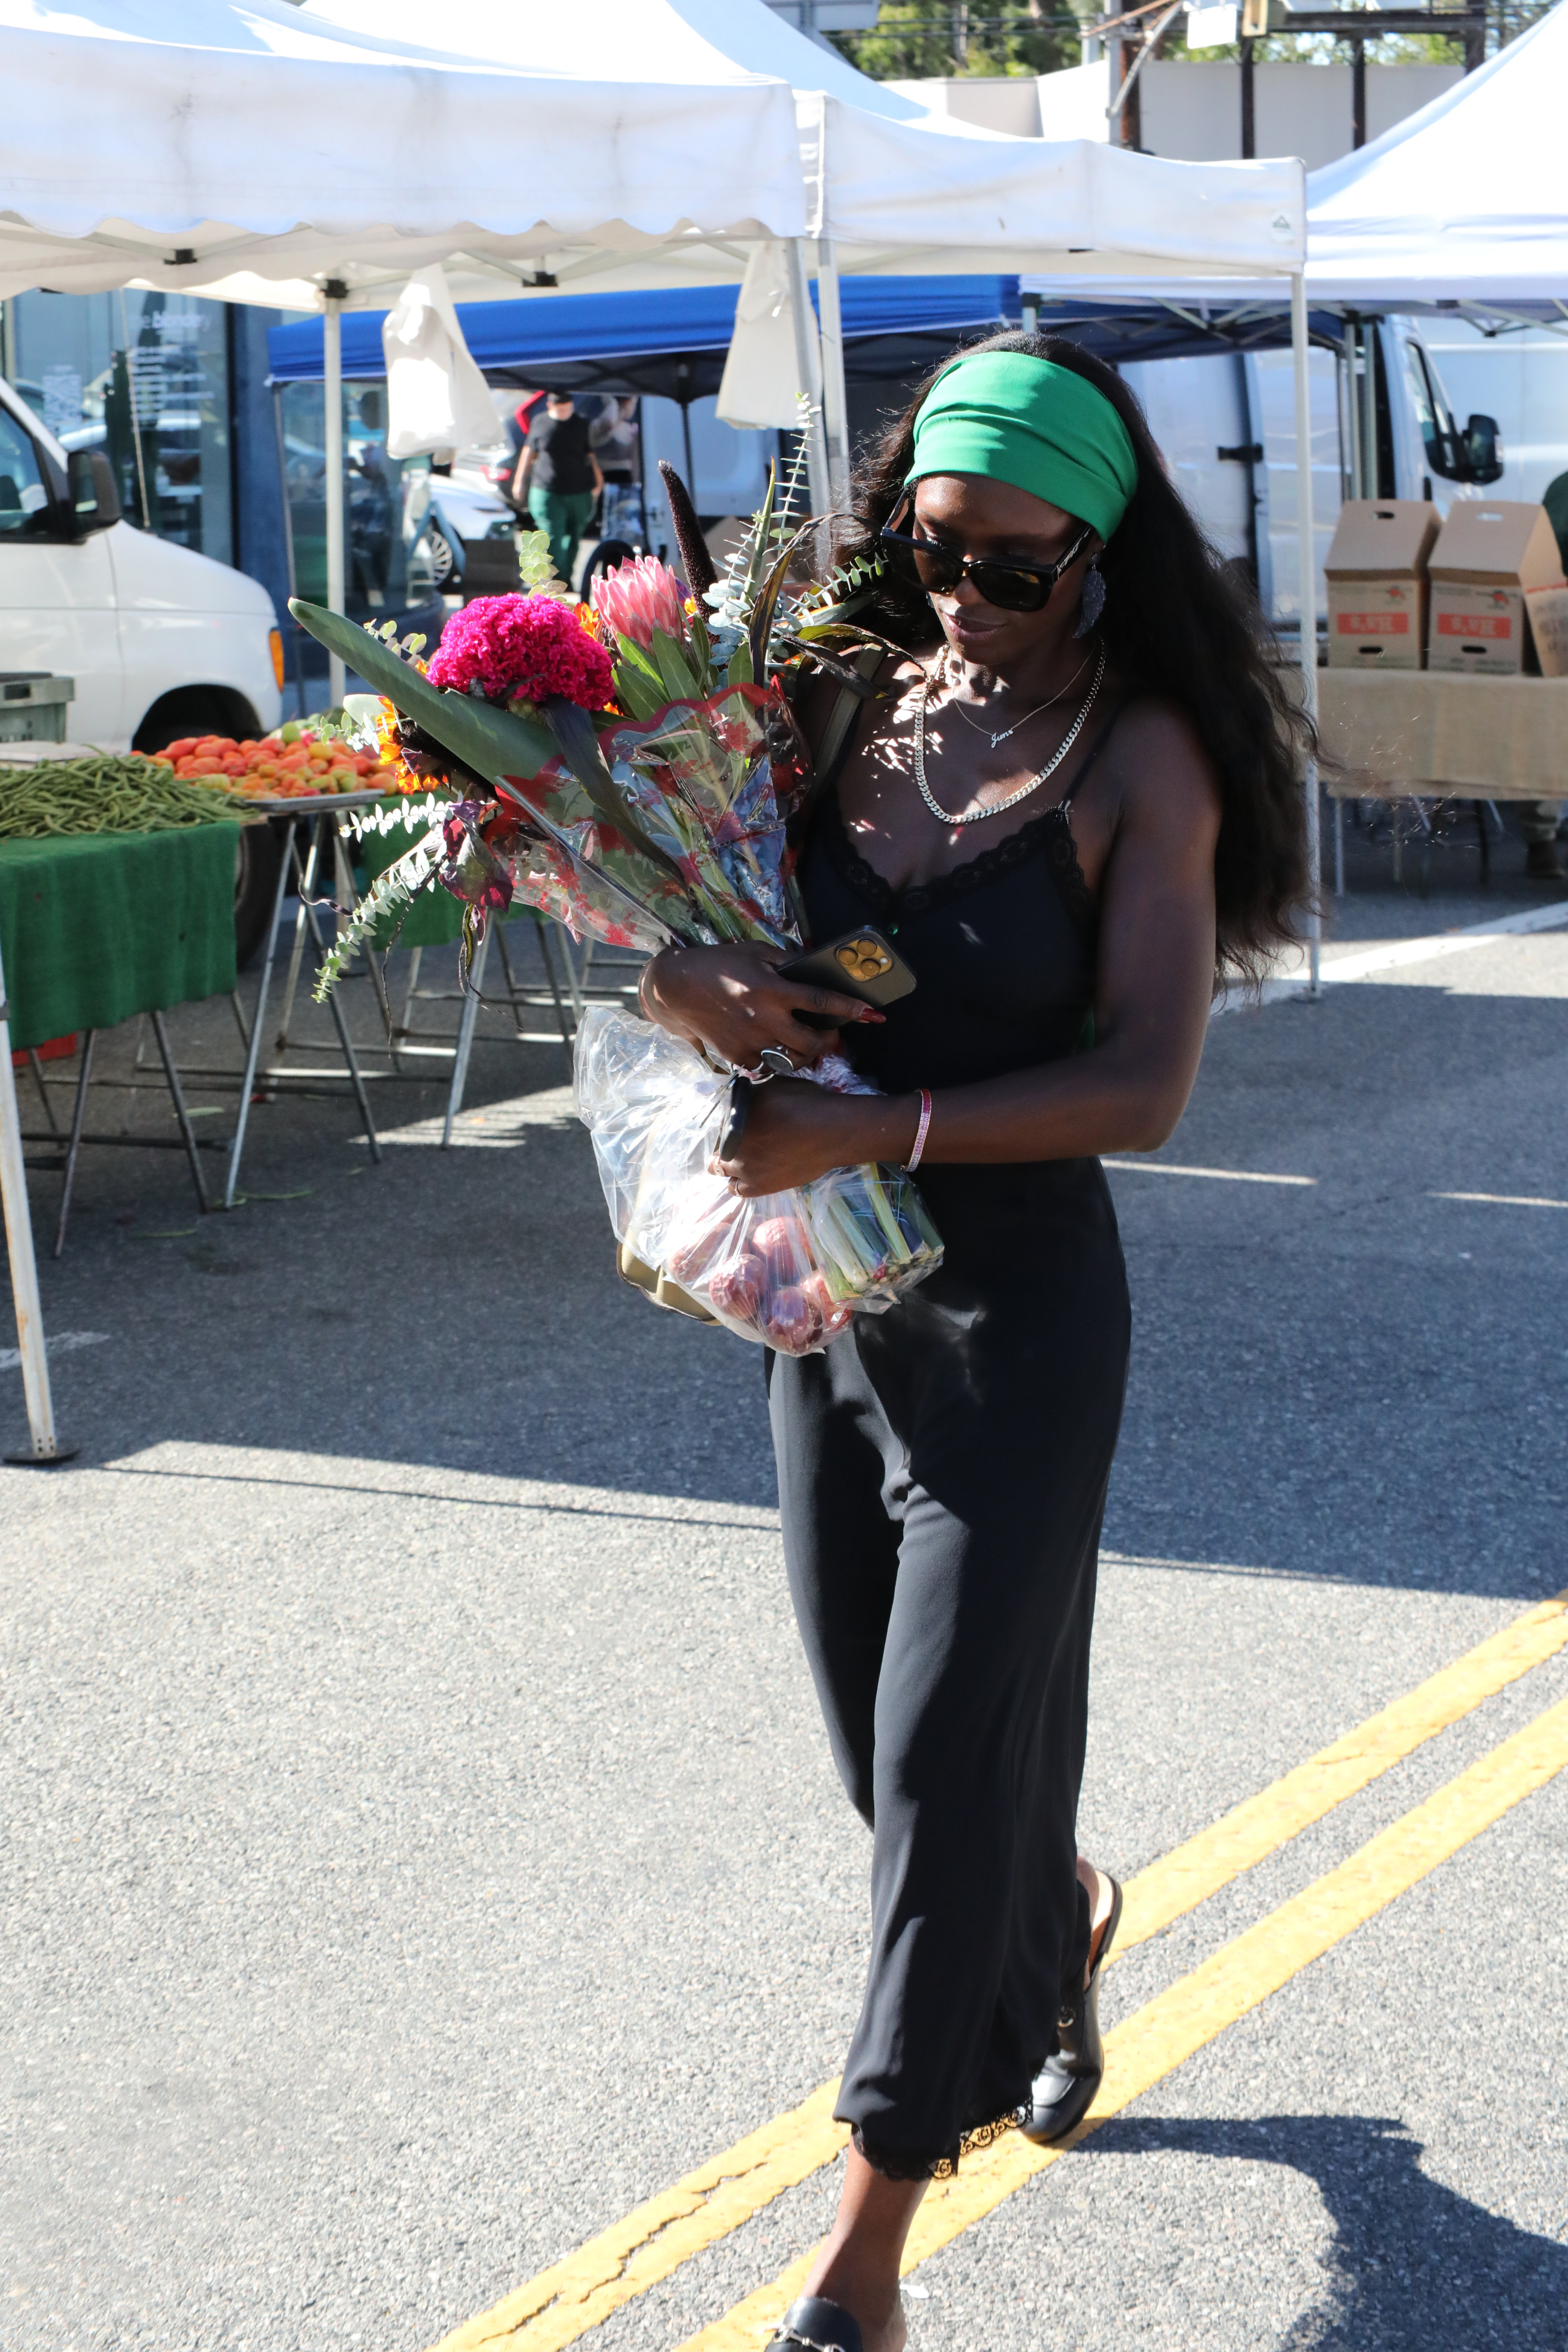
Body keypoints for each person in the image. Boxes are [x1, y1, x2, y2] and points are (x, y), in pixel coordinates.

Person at [638, 333, 1309, 2352]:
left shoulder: (1140, 762)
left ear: (1096, 553)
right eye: (935, 552)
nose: (965, 597)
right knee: (887, 1759)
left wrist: (883, 1121)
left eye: (1013, 566)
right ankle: (1064, 1910)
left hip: (1017, 1314)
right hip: (827, 1304)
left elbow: (1144, 1084)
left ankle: (853, 2280)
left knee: (938, 1775)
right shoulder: (840, 689)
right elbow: (694, 917)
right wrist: (688, 979)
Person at [1517, 466, 1568, 879]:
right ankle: (1542, 839)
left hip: (1549, 621)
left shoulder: (1560, 485)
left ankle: (1543, 838)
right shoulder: (1564, 488)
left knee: (1550, 728)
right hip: (1555, 623)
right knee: (1551, 727)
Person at [511, 390, 601, 585]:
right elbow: (529, 451)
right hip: (547, 488)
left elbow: (590, 455)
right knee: (552, 534)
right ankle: (555, 578)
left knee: (575, 535)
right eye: (561, 409)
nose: (565, 413)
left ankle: (566, 576)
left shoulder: (582, 424)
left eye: (568, 409)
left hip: (579, 489)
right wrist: (519, 480)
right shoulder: (540, 423)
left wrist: (598, 480)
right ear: (550, 406)